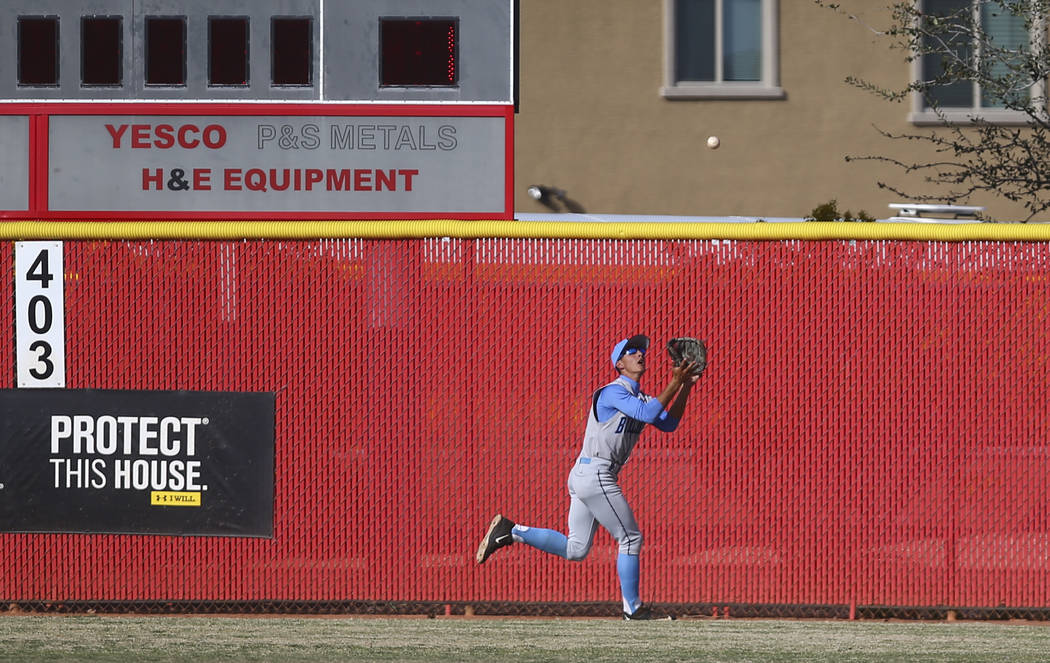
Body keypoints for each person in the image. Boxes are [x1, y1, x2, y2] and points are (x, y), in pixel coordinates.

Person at [476, 334, 703, 621]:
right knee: (631, 538)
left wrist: (684, 387)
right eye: (631, 351)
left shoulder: (641, 398)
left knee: (576, 549)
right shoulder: (612, 391)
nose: (639, 354)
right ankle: (632, 609)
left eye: (641, 350)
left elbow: (668, 423)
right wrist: (674, 382)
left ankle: (511, 530)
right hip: (596, 473)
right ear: (619, 363)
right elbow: (647, 414)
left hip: (587, 474)